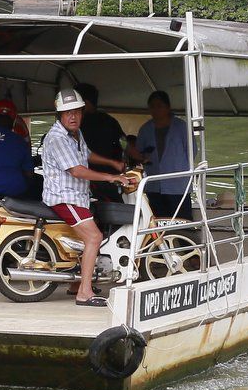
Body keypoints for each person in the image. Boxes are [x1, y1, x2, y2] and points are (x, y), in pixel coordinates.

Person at [39, 88, 130, 307]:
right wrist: (111, 177)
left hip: (78, 196)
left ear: (82, 112)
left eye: (77, 112)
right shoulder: (57, 138)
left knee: (87, 237)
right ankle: (84, 293)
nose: (72, 116)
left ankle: (76, 284)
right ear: (59, 115)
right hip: (64, 198)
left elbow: (87, 154)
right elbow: (77, 170)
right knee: (94, 238)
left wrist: (112, 163)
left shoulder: (75, 134)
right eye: (67, 112)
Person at [131, 89, 195, 219]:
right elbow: (139, 152)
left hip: (178, 185)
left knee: (182, 221)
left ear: (168, 107)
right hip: (154, 184)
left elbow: (192, 151)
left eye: (159, 106)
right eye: (152, 107)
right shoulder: (145, 129)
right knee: (159, 221)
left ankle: (183, 240)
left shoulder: (181, 127)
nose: (156, 110)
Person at [74, 84, 127, 203]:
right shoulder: (109, 120)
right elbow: (124, 142)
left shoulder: (77, 125)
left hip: (89, 180)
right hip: (111, 177)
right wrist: (118, 162)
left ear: (85, 102)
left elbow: (84, 155)